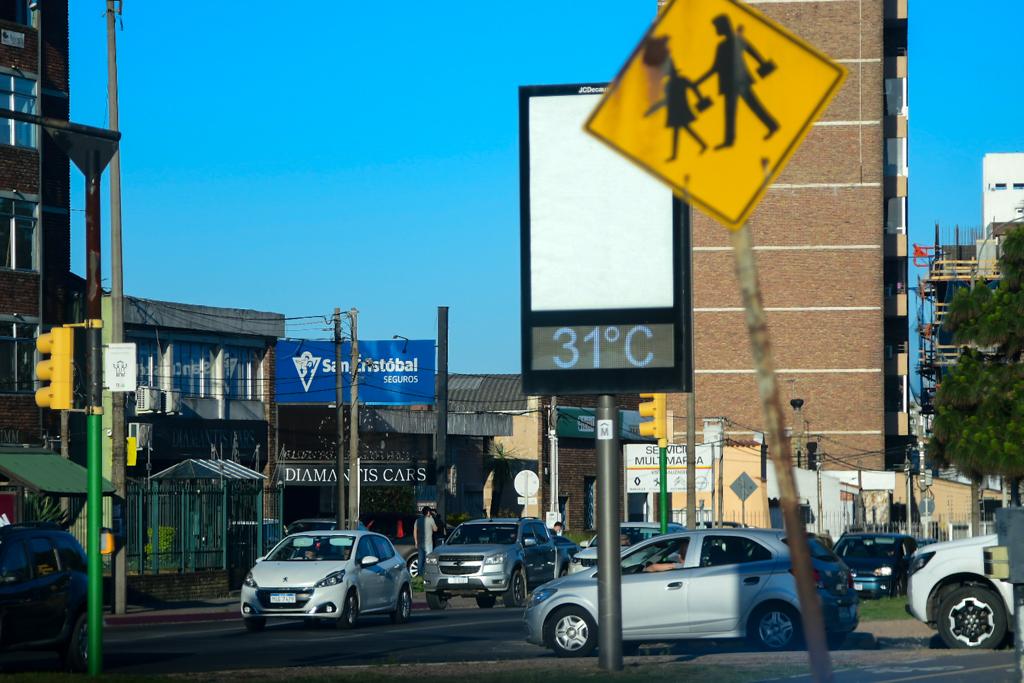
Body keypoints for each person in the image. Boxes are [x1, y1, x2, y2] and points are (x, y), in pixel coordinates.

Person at [696, 14, 779, 150]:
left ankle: (732, 139)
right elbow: (716, 67)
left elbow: (752, 52)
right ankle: (770, 126)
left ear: (723, 26)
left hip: (737, 82)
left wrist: (762, 62)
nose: (716, 30)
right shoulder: (726, 44)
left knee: (745, 107)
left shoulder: (734, 41)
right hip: (735, 82)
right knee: (739, 109)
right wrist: (698, 82)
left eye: (717, 27)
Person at [413, 506, 437, 573]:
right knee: (429, 559)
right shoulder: (430, 520)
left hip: (420, 543)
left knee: (420, 559)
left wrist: (416, 542)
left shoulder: (417, 520)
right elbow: (435, 529)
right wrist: (432, 519)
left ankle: (420, 573)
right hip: (428, 544)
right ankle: (428, 572)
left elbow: (414, 531)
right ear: (428, 512)